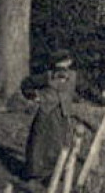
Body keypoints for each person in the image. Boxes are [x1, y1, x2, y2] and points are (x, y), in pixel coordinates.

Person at [21, 51, 80, 182]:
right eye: (59, 64)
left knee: (59, 142)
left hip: (63, 114)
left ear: (69, 63)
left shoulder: (74, 77)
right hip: (46, 113)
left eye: (65, 63)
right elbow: (26, 83)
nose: (62, 68)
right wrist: (33, 96)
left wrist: (103, 97)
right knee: (39, 141)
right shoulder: (46, 76)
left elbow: (87, 89)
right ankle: (35, 172)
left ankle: (54, 172)